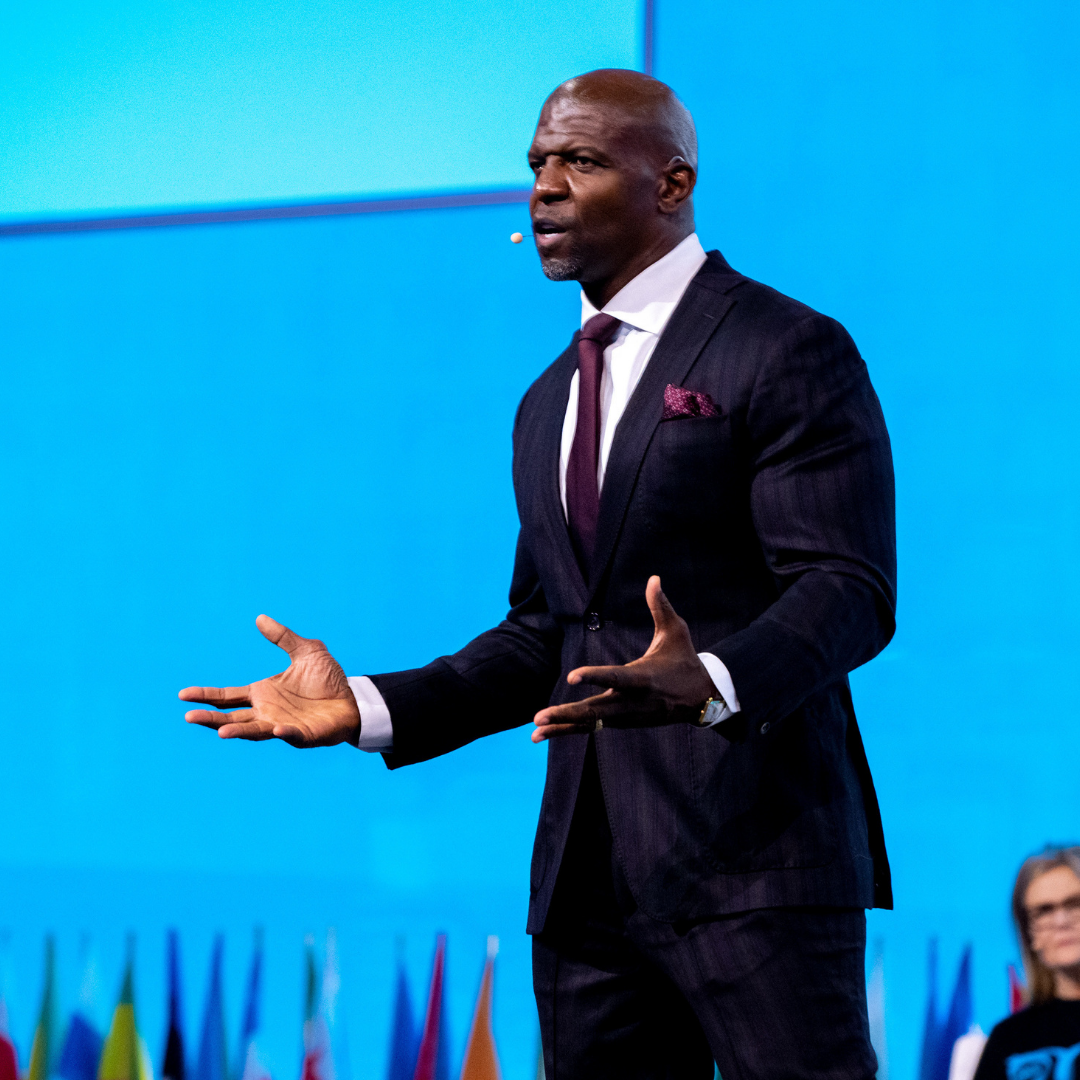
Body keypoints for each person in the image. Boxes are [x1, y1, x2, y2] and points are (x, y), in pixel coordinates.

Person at [180, 69, 896, 1079]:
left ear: (672, 183)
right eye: (536, 165)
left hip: (756, 864)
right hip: (583, 889)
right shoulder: (547, 398)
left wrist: (717, 681)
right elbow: (547, 632)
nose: (545, 188)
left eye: (582, 161)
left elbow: (846, 586)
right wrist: (370, 707)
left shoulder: (785, 349)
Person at [973, 847, 1080, 1080]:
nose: (1061, 921)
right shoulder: (1008, 1039)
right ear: (1029, 933)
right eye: (1044, 911)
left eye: (1074, 903)